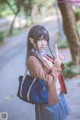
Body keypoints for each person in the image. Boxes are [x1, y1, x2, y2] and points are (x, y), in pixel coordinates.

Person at [26, 25, 69, 120]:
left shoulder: (43, 54)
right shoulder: (32, 59)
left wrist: (59, 62)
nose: (44, 43)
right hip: (48, 100)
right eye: (40, 39)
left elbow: (56, 72)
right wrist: (56, 66)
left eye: (45, 40)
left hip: (58, 95)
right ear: (31, 40)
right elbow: (47, 81)